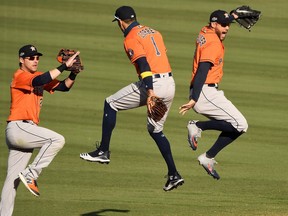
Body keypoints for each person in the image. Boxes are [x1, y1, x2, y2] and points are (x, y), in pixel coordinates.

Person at [80, 6, 184, 191]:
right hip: (170, 83)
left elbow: (144, 63)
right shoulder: (154, 31)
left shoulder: (130, 38)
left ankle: (103, 151)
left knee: (110, 103)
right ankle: (174, 174)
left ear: (120, 22)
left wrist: (150, 91)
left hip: (153, 84)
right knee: (156, 130)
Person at [0, 44, 80, 216]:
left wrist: (73, 73)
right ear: (21, 60)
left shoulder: (38, 76)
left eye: (37, 57)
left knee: (12, 180)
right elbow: (39, 81)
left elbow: (63, 87)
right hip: (19, 127)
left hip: (24, 133)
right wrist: (64, 66)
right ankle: (31, 173)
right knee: (57, 140)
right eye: (31, 58)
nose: (35, 60)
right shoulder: (20, 75)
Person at [179, 10, 248, 180]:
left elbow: (220, 22)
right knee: (241, 124)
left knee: (234, 124)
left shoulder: (205, 30)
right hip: (204, 91)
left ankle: (207, 157)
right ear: (214, 25)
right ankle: (198, 127)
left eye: (229, 25)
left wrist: (233, 16)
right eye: (224, 25)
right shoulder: (213, 43)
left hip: (206, 90)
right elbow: (202, 70)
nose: (227, 28)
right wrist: (194, 98)